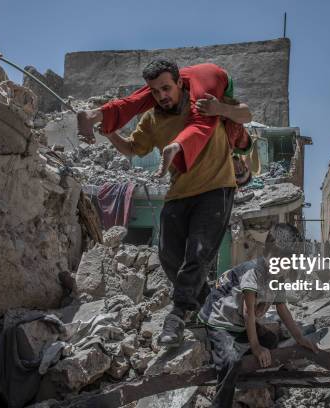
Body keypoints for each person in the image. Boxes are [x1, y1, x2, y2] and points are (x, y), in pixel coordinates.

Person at [98, 60, 252, 347]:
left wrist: (221, 110)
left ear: (180, 83)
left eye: (166, 88)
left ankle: (177, 314)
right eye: (155, 92)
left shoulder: (204, 102)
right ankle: (211, 304)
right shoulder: (153, 120)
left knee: (198, 253)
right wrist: (109, 132)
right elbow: (133, 149)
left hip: (216, 189)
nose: (161, 96)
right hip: (178, 194)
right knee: (169, 257)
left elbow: (245, 114)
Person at [198, 223, 319, 408]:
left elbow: (282, 308)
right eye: (278, 259)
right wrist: (255, 347)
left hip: (238, 320)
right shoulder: (252, 273)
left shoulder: (277, 277)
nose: (281, 267)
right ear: (267, 250)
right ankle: (220, 403)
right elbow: (248, 314)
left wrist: (299, 337)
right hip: (219, 321)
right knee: (230, 360)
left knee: (270, 342)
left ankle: (246, 368)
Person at [76, 62, 253, 177]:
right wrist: (220, 108)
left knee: (138, 100)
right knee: (204, 115)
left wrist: (109, 132)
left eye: (165, 89)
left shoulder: (164, 93)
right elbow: (247, 115)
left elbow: (132, 148)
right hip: (210, 76)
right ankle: (176, 146)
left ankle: (93, 114)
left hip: (188, 74)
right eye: (240, 169)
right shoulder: (235, 135)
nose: (161, 96)